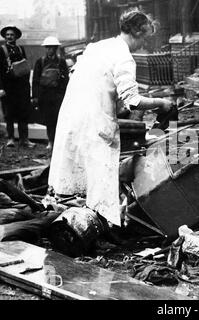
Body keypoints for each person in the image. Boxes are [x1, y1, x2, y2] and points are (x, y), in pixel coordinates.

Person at [48, 9, 172, 227]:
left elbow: (86, 77)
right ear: (136, 31)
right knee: (101, 178)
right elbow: (133, 100)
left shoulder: (98, 46)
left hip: (73, 115)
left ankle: (83, 220)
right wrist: (161, 104)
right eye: (144, 38)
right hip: (95, 120)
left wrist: (111, 100)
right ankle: (103, 227)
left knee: (84, 171)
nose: (143, 45)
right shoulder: (124, 58)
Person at [0, 25, 35, 148]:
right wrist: (1, 88)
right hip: (8, 87)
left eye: (12, 35)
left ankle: (24, 139)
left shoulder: (21, 49)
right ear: (5, 36)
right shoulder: (2, 50)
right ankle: (10, 139)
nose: (9, 37)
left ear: (16, 37)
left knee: (23, 113)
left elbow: (25, 67)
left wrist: (27, 86)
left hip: (22, 87)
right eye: (7, 35)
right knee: (9, 114)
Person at [32, 36, 69, 151]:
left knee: (59, 119)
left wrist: (64, 94)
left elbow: (66, 79)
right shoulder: (40, 62)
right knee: (49, 119)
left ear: (56, 48)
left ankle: (58, 142)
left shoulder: (61, 62)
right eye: (48, 48)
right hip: (45, 95)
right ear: (45, 48)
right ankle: (51, 141)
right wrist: (35, 96)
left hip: (58, 95)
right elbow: (35, 80)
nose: (50, 50)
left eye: (53, 48)